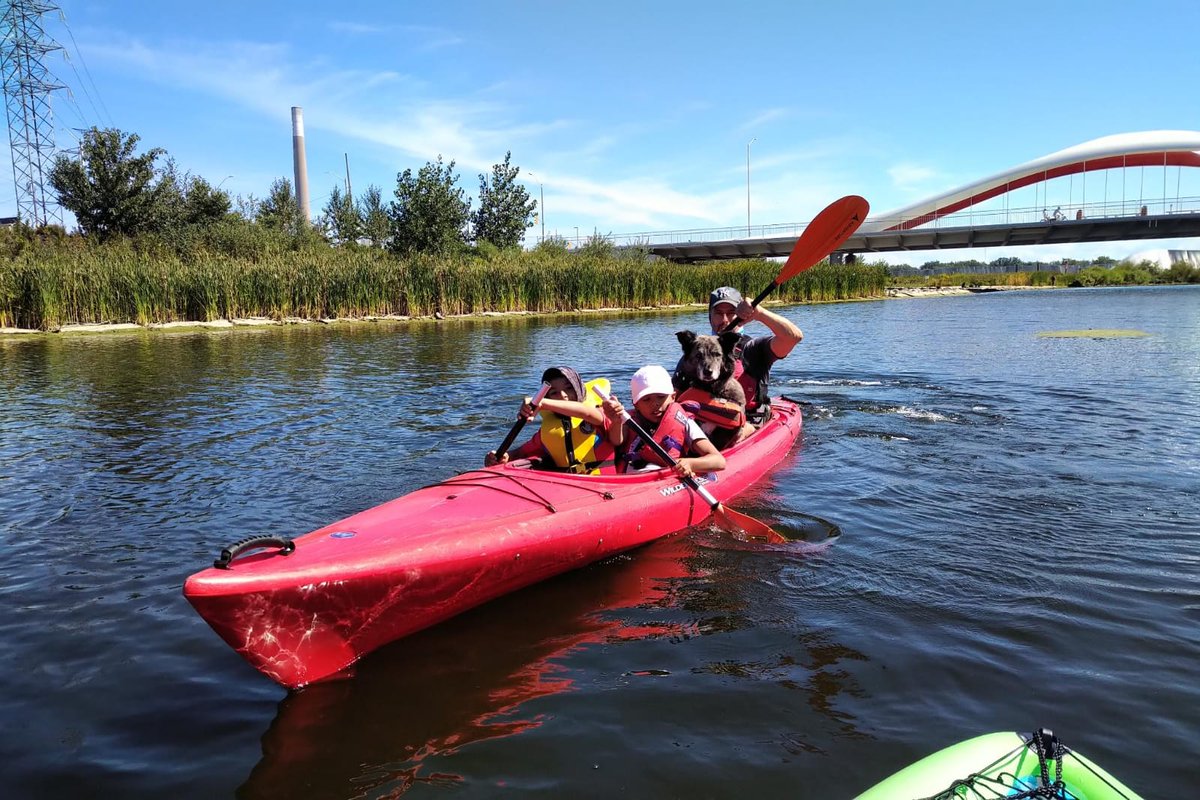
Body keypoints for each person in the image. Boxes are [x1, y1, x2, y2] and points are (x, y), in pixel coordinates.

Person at [673, 286, 802, 424]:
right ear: (709, 315)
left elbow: (793, 337)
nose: (725, 320)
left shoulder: (755, 348)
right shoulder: (694, 351)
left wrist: (759, 313)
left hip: (749, 423)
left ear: (741, 315)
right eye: (718, 313)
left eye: (731, 313)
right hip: (699, 421)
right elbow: (674, 396)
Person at [485, 366, 623, 474]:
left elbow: (587, 413)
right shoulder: (548, 430)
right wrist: (504, 457)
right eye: (554, 392)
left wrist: (542, 403)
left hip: (605, 485)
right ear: (549, 396)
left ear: (579, 389)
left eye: (569, 389)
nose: (563, 395)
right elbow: (521, 452)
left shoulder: (601, 412)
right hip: (569, 487)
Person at [606, 365, 726, 479]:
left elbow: (718, 461)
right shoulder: (629, 420)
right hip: (631, 482)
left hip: (665, 480)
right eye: (646, 399)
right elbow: (616, 441)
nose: (655, 404)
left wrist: (689, 463)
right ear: (636, 405)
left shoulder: (684, 421)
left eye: (661, 396)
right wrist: (616, 421)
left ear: (673, 397)